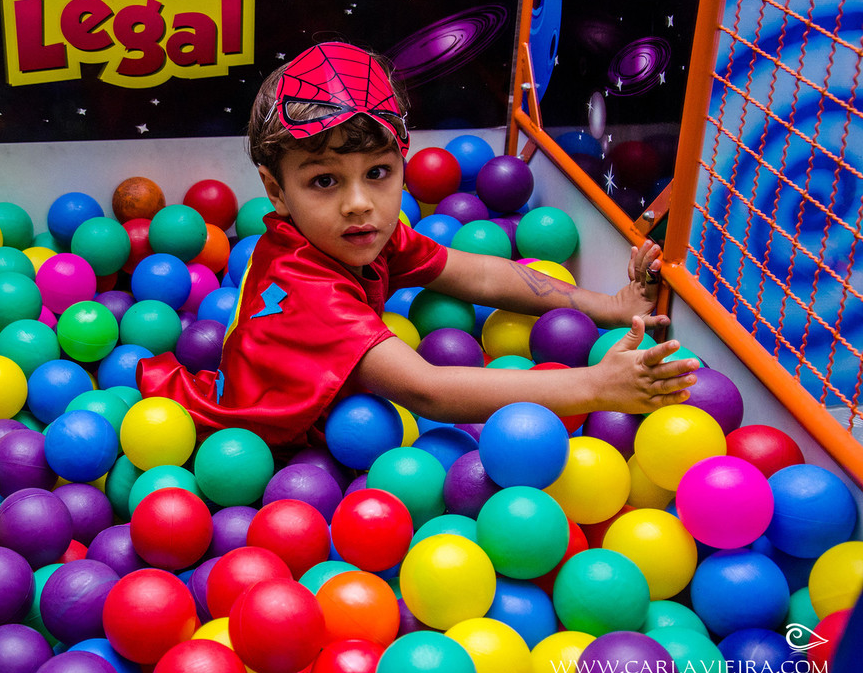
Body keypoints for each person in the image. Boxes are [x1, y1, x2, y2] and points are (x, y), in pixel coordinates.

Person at [137, 41, 699, 449]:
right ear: (275, 191)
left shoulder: (357, 237)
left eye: (378, 173)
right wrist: (597, 386)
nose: (359, 203)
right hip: (235, 447)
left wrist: (612, 307)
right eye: (324, 181)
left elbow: (480, 274)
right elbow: (428, 391)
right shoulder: (310, 290)